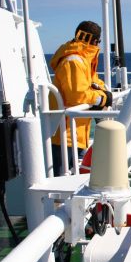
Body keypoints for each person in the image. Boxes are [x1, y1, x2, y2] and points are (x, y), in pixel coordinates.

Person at [49, 21, 112, 176]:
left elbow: (93, 81)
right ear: (94, 40)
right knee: (61, 179)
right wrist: (102, 99)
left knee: (76, 174)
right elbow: (77, 95)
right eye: (98, 41)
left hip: (75, 131)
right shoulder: (74, 61)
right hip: (65, 132)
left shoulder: (82, 60)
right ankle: (58, 201)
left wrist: (103, 92)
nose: (98, 45)